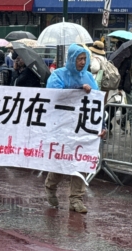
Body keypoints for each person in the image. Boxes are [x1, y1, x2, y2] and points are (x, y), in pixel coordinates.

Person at [44, 44, 105, 214]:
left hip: (83, 128)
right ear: (72, 59)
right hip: (62, 127)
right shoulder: (58, 75)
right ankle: (50, 186)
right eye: (79, 59)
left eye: (85, 58)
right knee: (61, 161)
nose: (83, 62)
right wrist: (78, 90)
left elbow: (97, 103)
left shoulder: (89, 77)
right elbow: (54, 95)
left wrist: (102, 125)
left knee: (82, 161)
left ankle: (76, 199)